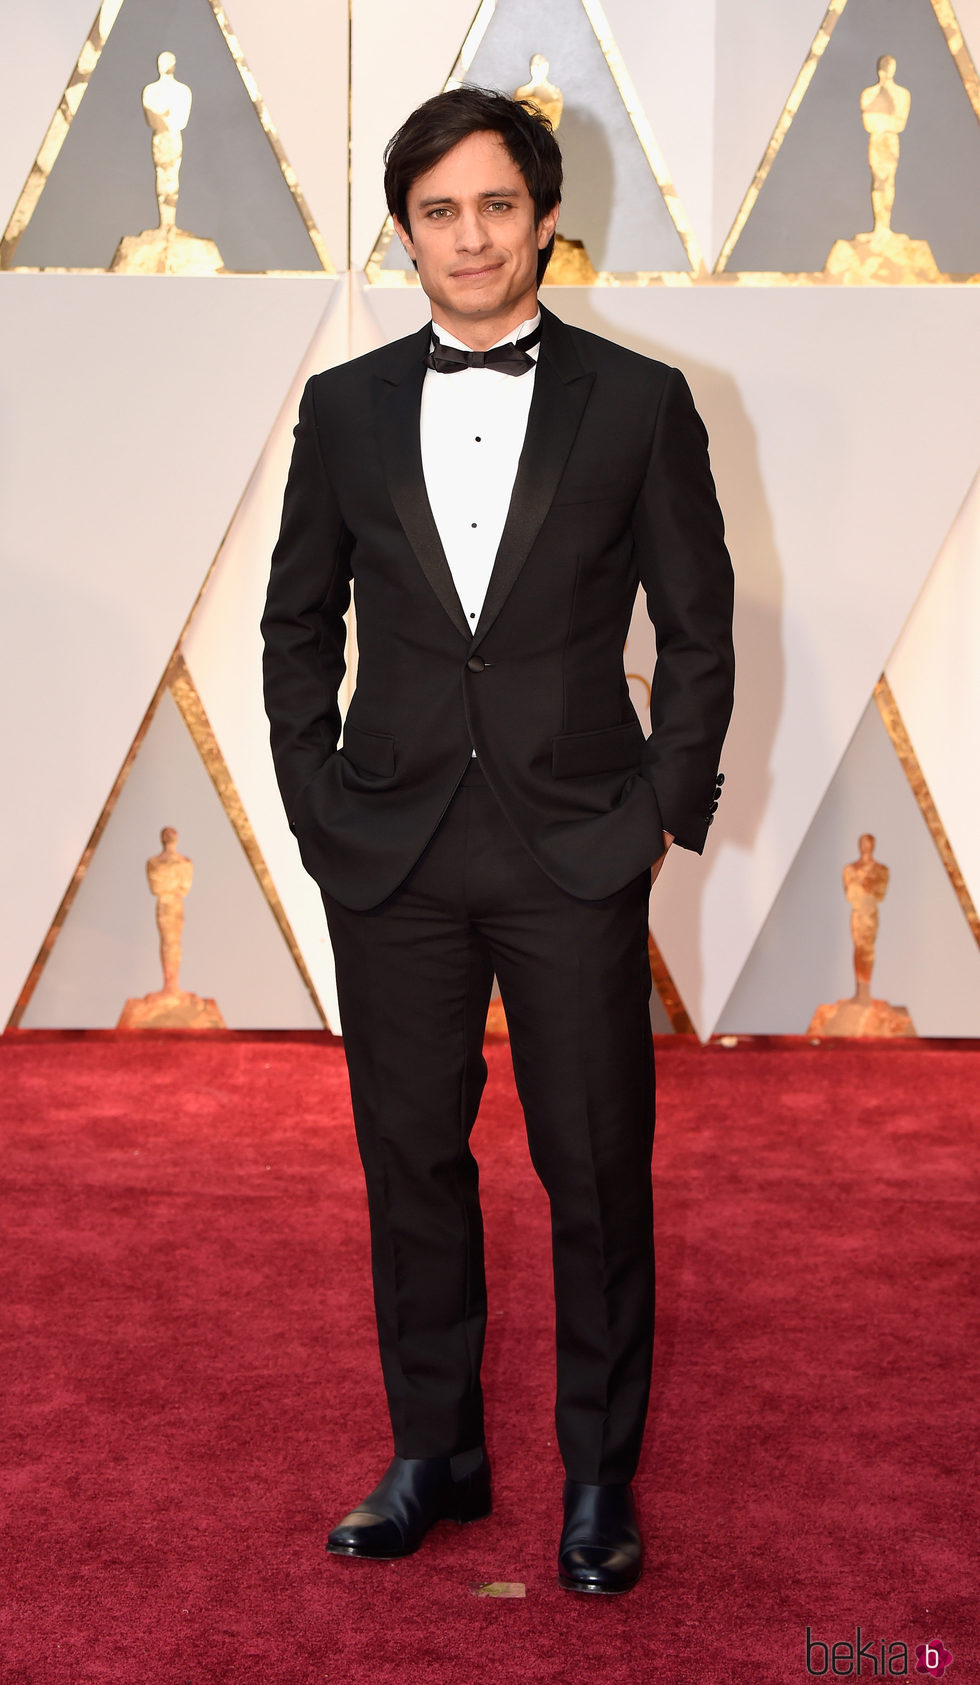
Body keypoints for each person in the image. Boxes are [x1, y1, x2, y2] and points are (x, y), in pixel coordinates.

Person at [261, 86, 734, 1596]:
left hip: (574, 850)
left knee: (594, 1169)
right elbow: (294, 624)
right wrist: (315, 800)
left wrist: (660, 808)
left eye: (497, 206)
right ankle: (434, 1452)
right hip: (387, 852)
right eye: (440, 211)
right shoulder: (338, 407)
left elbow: (701, 629)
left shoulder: (640, 401)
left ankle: (599, 1477)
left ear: (544, 218)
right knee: (409, 1161)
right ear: (406, 230)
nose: (471, 237)